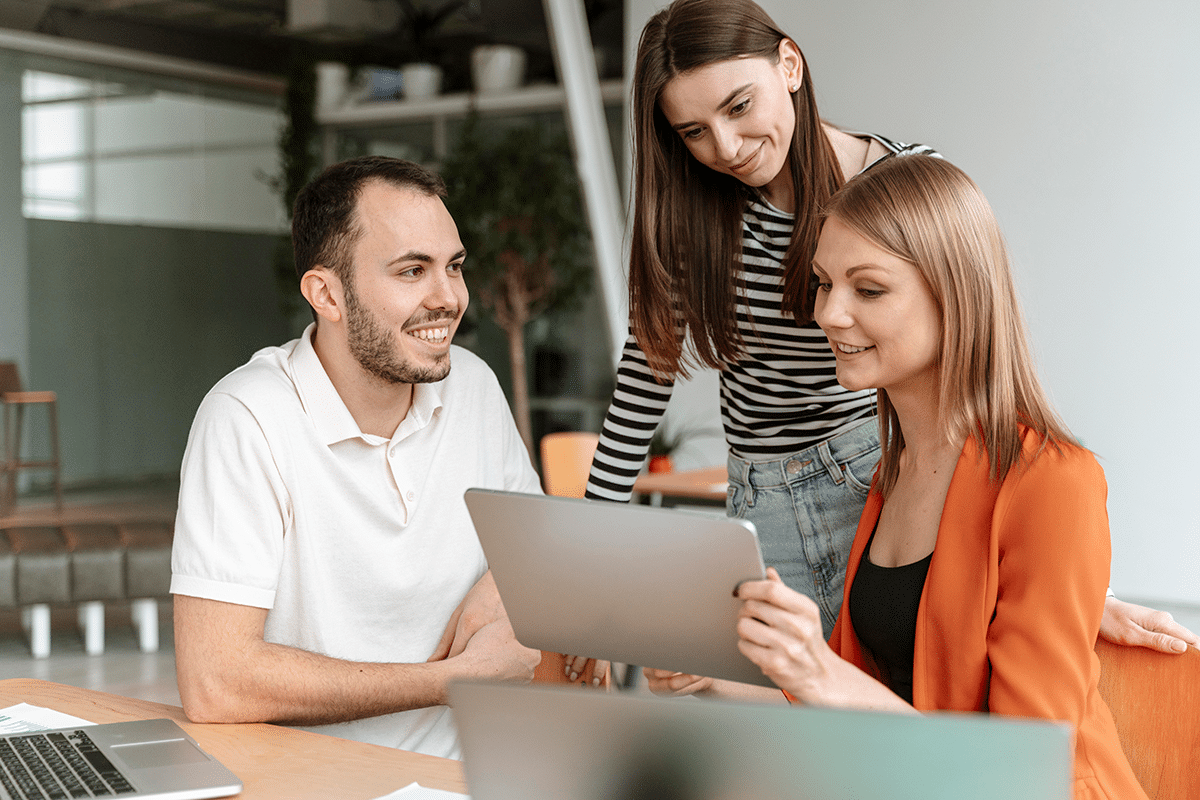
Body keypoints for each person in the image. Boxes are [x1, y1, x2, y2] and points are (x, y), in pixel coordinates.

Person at [579, 0, 1194, 658]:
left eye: (738, 107)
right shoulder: (693, 212)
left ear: (789, 64)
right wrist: (581, 557)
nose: (725, 149)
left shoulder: (898, 185)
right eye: (693, 131)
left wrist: (1054, 571)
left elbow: (975, 354)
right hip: (757, 504)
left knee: (906, 707)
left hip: (880, 484)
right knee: (785, 730)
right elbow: (645, 376)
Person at [726, 154, 1145, 799]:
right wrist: (719, 682)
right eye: (822, 283)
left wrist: (821, 676)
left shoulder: (1053, 483)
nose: (829, 315)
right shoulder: (893, 475)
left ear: (956, 298)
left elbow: (1025, 771)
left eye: (868, 290)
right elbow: (865, 693)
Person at [170, 156, 542, 760]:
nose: (448, 299)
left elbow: (534, 541)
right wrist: (452, 682)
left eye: (454, 266)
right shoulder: (245, 417)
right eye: (411, 270)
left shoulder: (471, 383)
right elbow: (216, 683)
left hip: (470, 775)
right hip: (315, 782)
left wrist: (504, 581)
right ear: (326, 294)